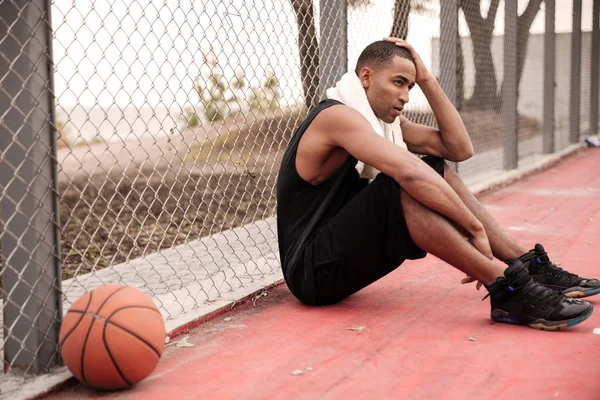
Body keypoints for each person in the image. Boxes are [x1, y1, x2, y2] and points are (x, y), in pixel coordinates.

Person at [276, 38, 599, 330]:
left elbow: (458, 149)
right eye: (398, 83)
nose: (404, 96)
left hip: (338, 257)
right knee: (401, 182)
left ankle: (524, 263)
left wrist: (428, 80)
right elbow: (409, 174)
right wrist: (474, 230)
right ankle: (507, 289)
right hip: (312, 272)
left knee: (432, 165)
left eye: (411, 87)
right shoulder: (338, 117)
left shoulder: (383, 124)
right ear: (366, 77)